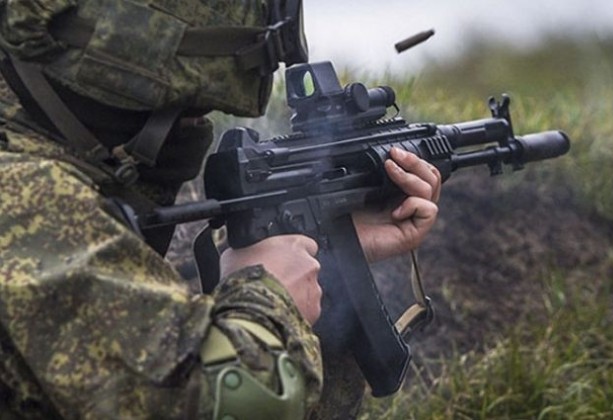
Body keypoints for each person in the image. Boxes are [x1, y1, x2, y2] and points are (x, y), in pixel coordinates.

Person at [0, 0, 441, 418]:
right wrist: (268, 294)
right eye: (187, 112)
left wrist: (336, 250)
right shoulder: (28, 198)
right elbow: (230, 402)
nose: (197, 129)